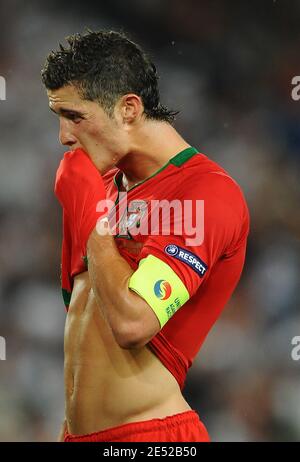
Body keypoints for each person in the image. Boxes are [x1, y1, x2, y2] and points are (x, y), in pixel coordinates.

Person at [41, 30, 249, 443]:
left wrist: (94, 221)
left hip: (152, 439)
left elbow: (133, 323)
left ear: (129, 109)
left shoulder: (206, 192)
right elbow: (80, 317)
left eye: (75, 117)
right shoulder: (100, 184)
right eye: (58, 117)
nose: (64, 136)